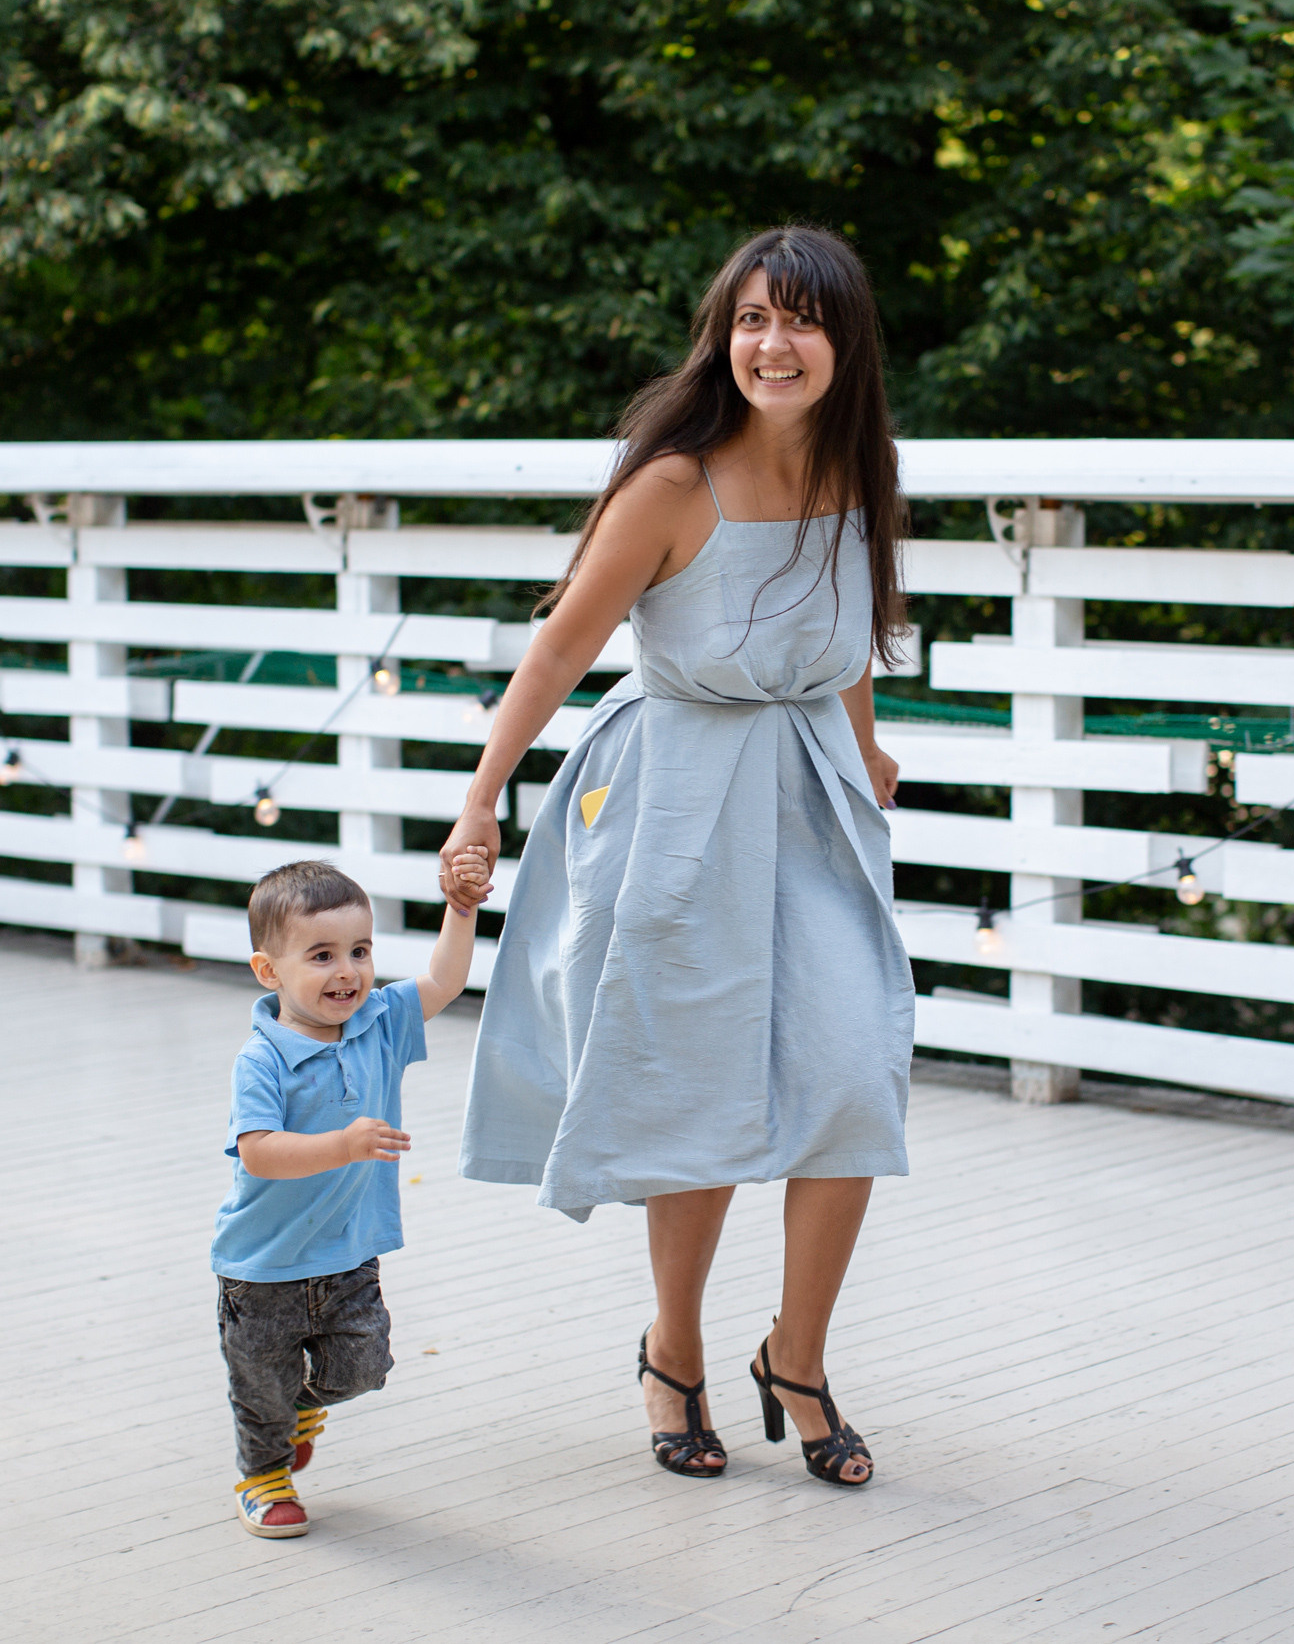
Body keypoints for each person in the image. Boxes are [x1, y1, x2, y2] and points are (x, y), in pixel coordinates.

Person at [442, 225, 914, 1488]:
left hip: (810, 794)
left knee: (854, 1070)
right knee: (692, 1080)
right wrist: (482, 801)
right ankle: (676, 1350)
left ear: (844, 343)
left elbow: (855, 632)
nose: (775, 344)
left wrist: (865, 750)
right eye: (753, 319)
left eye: (802, 321)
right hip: (679, 797)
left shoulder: (863, 474)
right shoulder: (671, 484)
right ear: (725, 333)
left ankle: (797, 1357)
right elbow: (555, 652)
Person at [212, 851, 490, 1537]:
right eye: (322, 955)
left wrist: (461, 908)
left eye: (360, 951)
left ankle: (305, 1408)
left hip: (348, 1253)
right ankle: (264, 1477)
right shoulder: (263, 1058)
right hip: (262, 1268)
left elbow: (444, 981)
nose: (348, 972)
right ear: (269, 971)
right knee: (261, 1392)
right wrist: (342, 1144)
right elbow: (258, 1152)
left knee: (363, 1368)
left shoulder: (380, 1021)